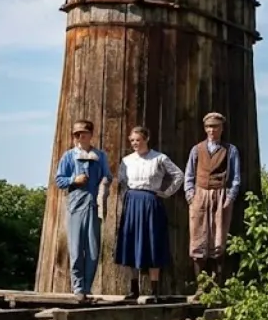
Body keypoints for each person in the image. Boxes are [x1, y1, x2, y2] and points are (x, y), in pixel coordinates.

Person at [113, 126, 183, 296]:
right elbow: (121, 181)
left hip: (151, 201)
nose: (135, 143)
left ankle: (154, 290)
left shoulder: (159, 158)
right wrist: (126, 197)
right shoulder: (127, 160)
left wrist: (166, 193)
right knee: (131, 240)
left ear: (146, 139)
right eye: (132, 140)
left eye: (138, 140)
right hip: (132, 203)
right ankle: (134, 289)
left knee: (153, 242)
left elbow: (178, 174)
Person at [183, 112, 242, 286]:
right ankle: (201, 286)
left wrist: (230, 197)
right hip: (200, 194)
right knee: (197, 240)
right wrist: (190, 195)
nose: (211, 130)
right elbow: (189, 174)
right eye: (209, 127)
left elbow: (236, 177)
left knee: (218, 239)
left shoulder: (230, 150)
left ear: (221, 128)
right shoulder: (197, 149)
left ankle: (217, 285)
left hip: (220, 195)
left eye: (215, 126)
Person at [53, 120, 109, 296]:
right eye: (76, 134)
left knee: (93, 249)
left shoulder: (99, 156)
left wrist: (104, 184)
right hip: (75, 205)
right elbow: (59, 180)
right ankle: (78, 287)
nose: (79, 137)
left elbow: (108, 176)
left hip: (93, 204)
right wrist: (73, 180)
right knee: (76, 249)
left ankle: (87, 287)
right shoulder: (69, 156)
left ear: (91, 134)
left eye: (82, 133)